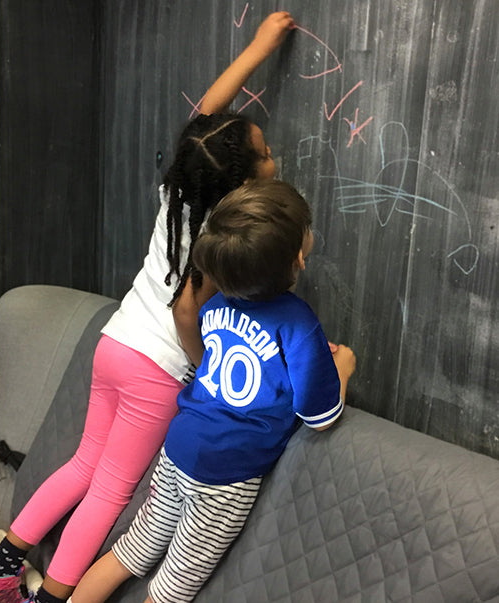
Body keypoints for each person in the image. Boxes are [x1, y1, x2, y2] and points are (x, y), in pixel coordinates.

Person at [0, 12, 297, 603]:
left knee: (83, 465)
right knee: (110, 490)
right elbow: (189, 312)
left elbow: (205, 119)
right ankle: (50, 596)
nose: (273, 158)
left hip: (115, 343)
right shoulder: (229, 234)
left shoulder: (183, 188)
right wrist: (202, 366)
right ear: (240, 184)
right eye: (264, 157)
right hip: (156, 368)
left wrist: (257, 48)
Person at [69, 180, 357, 603]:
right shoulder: (297, 322)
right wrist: (342, 368)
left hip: (179, 446)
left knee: (131, 552)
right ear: (299, 256)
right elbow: (322, 416)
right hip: (224, 476)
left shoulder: (216, 306)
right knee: (171, 590)